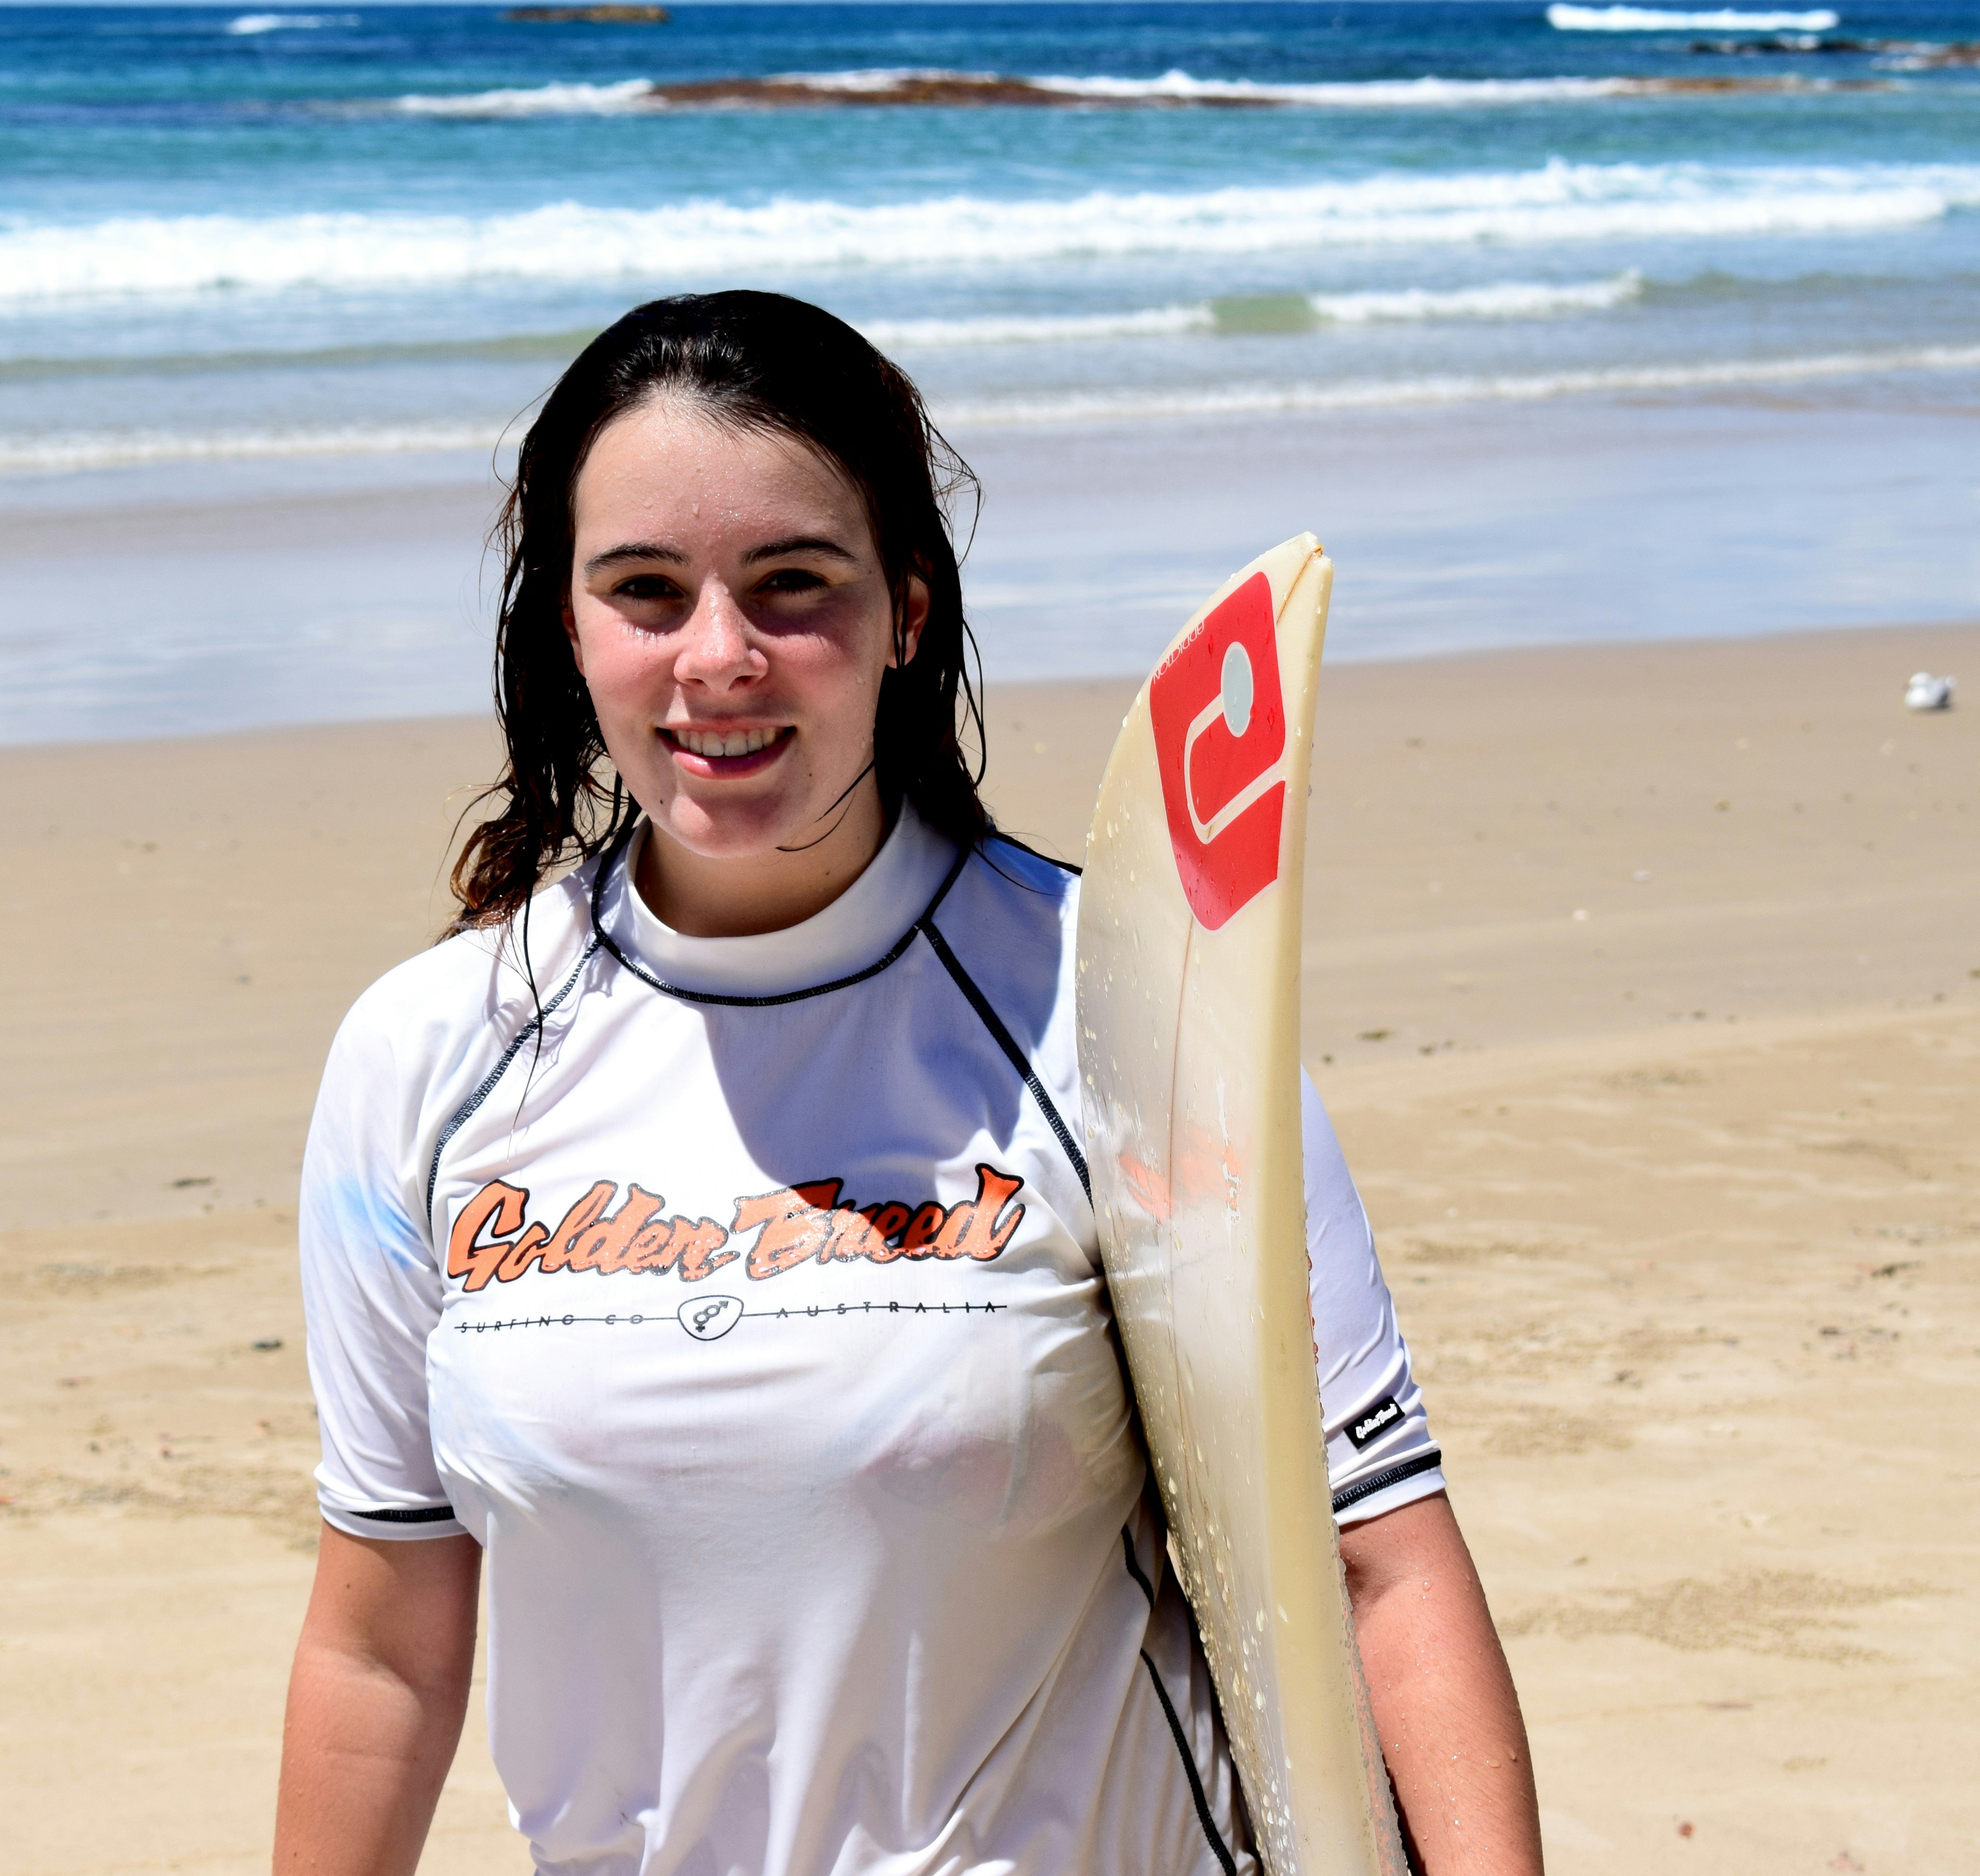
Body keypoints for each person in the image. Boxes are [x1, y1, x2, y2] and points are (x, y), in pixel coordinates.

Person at [275, 291, 1542, 1876]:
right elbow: (383, 1642)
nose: (718, 656)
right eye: (645, 591)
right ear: (568, 626)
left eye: (793, 586)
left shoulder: (1129, 1011)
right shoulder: (433, 1060)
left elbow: (1375, 1561)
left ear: (908, 612)